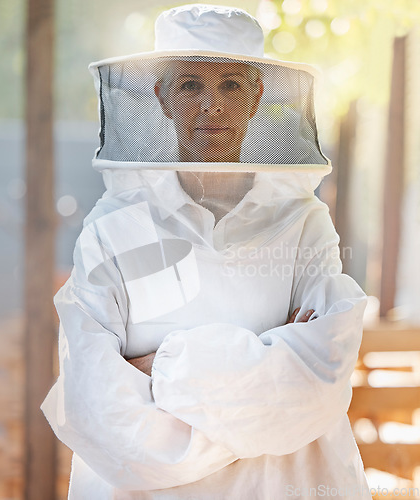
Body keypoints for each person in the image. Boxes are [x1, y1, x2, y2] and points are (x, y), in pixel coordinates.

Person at [42, 5, 372, 499]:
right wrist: (261, 394)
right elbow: (98, 408)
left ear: (257, 96)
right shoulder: (113, 229)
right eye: (190, 85)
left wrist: (162, 367)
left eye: (232, 86)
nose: (210, 106)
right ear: (163, 97)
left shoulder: (305, 224)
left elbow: (320, 378)